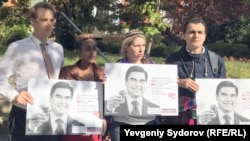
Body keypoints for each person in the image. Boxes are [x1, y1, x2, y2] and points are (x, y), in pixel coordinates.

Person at [0, 2, 64, 141]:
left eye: (52, 20)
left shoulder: (58, 49)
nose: (49, 24)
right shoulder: (17, 47)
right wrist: (14, 95)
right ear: (32, 21)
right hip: (25, 115)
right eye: (44, 20)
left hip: (52, 116)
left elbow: (62, 78)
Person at [165, 15, 227, 125]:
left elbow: (223, 90)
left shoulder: (217, 60)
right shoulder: (173, 60)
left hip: (208, 118)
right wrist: (179, 82)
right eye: (192, 32)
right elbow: (163, 89)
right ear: (184, 35)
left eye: (200, 32)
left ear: (205, 36)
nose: (196, 36)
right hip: (180, 119)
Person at [108, 29, 156, 141]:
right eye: (137, 45)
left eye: (143, 45)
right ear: (126, 47)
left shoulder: (152, 66)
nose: (141, 49)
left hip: (147, 122)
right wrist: (107, 83)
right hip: (121, 122)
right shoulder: (116, 67)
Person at [59, 34, 107, 141]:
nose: (92, 52)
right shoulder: (66, 71)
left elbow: (106, 102)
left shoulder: (101, 73)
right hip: (72, 126)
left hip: (93, 126)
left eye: (94, 48)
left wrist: (103, 118)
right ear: (79, 52)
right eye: (87, 49)